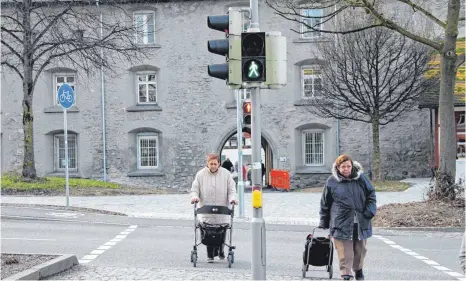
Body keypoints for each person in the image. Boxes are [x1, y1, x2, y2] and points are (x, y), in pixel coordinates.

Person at [319, 154, 377, 281]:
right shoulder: (332, 182)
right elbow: (325, 203)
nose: (346, 169)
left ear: (352, 166)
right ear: (338, 167)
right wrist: (324, 221)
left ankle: (358, 270)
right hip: (340, 221)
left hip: (361, 220)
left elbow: (371, 194)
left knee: (360, 250)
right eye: (343, 167)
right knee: (345, 252)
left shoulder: (361, 179)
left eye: (348, 166)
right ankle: (346, 274)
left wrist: (370, 211)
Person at [190, 153, 238, 263]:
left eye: (215, 164)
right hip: (206, 208)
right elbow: (195, 189)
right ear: (207, 164)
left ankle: (221, 249)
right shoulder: (200, 174)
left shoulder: (226, 174)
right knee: (208, 231)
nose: (213, 166)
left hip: (222, 208)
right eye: (211, 164)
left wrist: (232, 199)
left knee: (221, 230)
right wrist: (195, 197)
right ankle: (210, 255)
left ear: (219, 164)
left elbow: (231, 189)